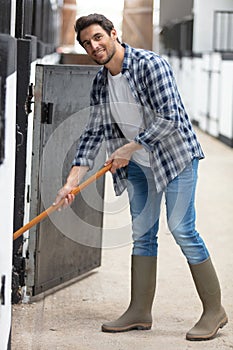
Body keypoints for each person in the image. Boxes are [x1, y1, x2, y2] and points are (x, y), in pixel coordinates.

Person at [54, 13, 228, 340]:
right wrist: (72, 180)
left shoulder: (151, 65)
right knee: (143, 233)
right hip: (138, 166)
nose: (94, 46)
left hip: (175, 158)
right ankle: (140, 311)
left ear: (113, 33)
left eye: (97, 37)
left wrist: (129, 148)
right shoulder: (101, 82)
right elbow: (94, 133)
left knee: (182, 229)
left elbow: (172, 118)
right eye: (86, 43)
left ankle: (214, 310)